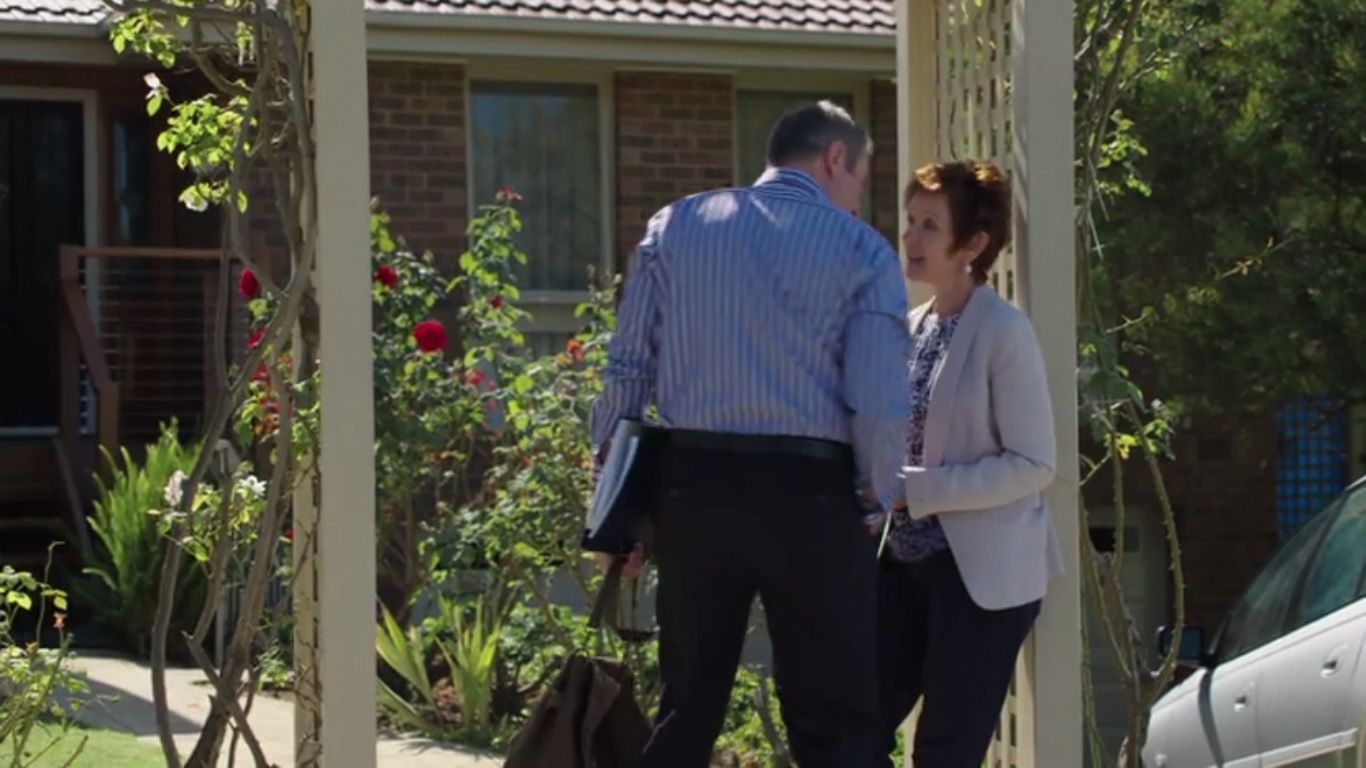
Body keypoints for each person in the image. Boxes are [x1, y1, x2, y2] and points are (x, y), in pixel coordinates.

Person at [590, 101, 911, 767]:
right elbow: (879, 403)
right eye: (860, 178)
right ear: (835, 159)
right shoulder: (862, 250)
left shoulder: (676, 226)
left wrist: (615, 508)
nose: (858, 197)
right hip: (814, 493)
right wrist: (872, 497)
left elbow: (628, 372)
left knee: (686, 708)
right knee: (835, 724)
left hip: (694, 487)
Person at [875, 160, 1063, 767]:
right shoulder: (911, 328)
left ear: (974, 244)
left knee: (943, 753)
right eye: (910, 221)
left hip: (981, 578)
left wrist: (922, 490)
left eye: (929, 225)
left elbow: (1034, 464)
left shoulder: (1004, 331)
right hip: (904, 566)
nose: (911, 237)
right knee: (850, 723)